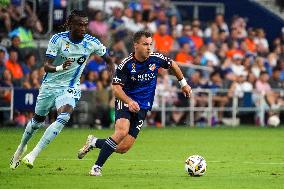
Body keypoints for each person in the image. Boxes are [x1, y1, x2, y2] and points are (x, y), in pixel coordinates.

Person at [77, 31, 192, 176]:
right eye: (145, 44)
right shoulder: (126, 65)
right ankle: (96, 167)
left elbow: (172, 64)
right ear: (136, 45)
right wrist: (129, 101)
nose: (149, 48)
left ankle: (94, 142)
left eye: (150, 44)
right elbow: (116, 88)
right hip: (125, 100)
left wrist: (183, 84)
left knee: (123, 148)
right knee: (121, 132)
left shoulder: (156, 58)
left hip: (142, 107)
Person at [10, 10, 113, 170]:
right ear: (71, 24)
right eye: (80, 24)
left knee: (64, 117)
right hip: (49, 86)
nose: (83, 28)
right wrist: (59, 67)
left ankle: (33, 155)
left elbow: (109, 59)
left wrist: (114, 77)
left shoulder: (91, 42)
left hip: (70, 87)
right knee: (36, 122)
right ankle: (21, 148)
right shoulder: (58, 39)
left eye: (86, 24)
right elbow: (46, 66)